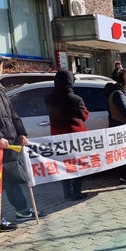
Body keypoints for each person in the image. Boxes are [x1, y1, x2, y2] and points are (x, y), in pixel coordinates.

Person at [0, 51, 44, 232]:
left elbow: (11, 113)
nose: (3, 69)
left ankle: (22, 210)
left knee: (13, 179)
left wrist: (21, 132)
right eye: (2, 65)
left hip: (9, 142)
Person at [45, 69, 90, 201]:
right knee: (77, 164)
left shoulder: (48, 98)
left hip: (58, 136)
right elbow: (85, 116)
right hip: (75, 137)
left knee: (64, 164)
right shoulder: (76, 99)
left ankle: (67, 192)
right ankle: (76, 192)